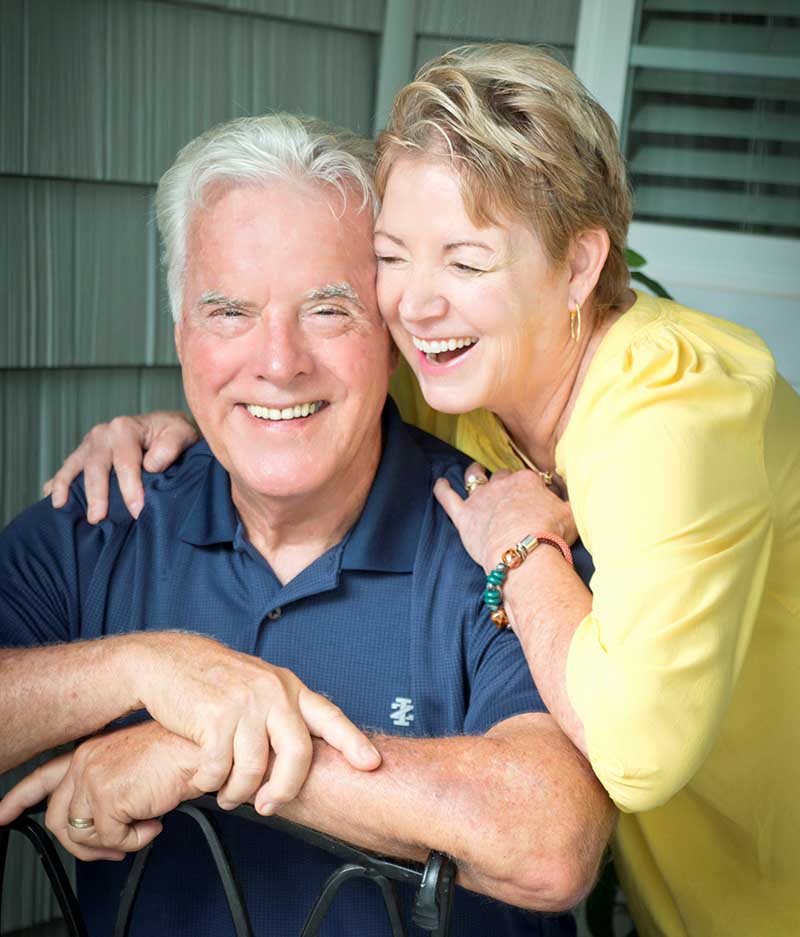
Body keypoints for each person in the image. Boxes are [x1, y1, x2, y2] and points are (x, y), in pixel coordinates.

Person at [54, 44, 800, 937]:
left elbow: (635, 751)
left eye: (467, 261)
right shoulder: (479, 377)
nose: (414, 303)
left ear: (577, 267)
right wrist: (183, 428)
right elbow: (302, 385)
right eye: (394, 256)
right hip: (689, 876)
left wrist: (521, 548)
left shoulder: (675, 411)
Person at [0, 113, 615, 937]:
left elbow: (554, 839)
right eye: (230, 312)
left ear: (390, 336)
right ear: (181, 333)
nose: (279, 360)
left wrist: (201, 747)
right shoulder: (111, 509)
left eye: (328, 311)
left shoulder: (496, 532)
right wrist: (143, 669)